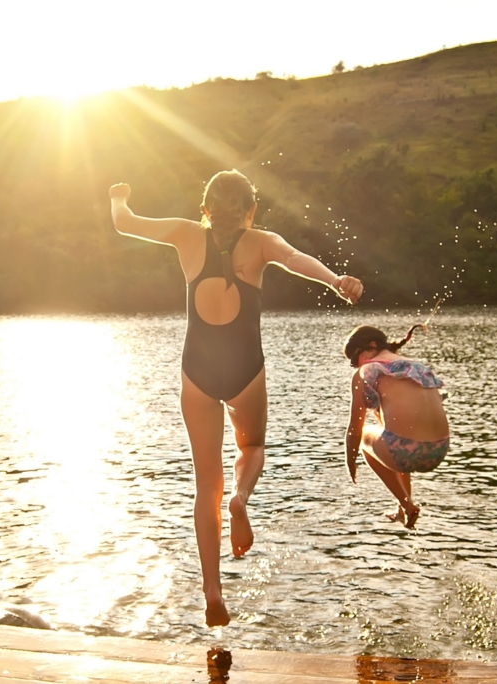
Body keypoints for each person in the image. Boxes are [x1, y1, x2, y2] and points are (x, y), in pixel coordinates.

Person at [109, 170, 363, 627]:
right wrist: (334, 281)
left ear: (204, 208)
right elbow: (294, 257)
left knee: (206, 484)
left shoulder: (186, 235)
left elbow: (126, 223)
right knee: (251, 448)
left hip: (196, 373)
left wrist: (118, 197)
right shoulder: (262, 240)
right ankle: (242, 497)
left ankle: (211, 589)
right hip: (245, 370)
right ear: (251, 210)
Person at [343, 324, 449, 530]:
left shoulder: (368, 371)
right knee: (392, 433)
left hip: (403, 451)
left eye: (357, 359)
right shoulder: (417, 367)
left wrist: (351, 460)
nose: (357, 366)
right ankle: (404, 505)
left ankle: (408, 505)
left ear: (372, 346)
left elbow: (354, 429)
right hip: (439, 451)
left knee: (366, 435)